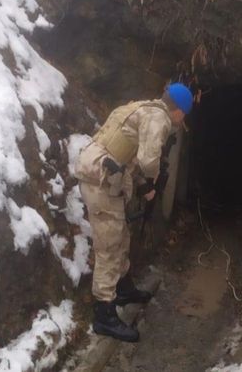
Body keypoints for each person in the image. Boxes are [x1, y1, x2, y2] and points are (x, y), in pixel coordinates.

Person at [73, 83, 193, 342]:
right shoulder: (158, 118)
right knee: (109, 245)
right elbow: (149, 160)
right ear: (180, 112)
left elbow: (123, 151)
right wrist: (150, 184)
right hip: (100, 181)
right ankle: (104, 315)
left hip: (104, 174)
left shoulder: (141, 108)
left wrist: (139, 184)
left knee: (121, 237)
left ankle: (123, 289)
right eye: (184, 116)